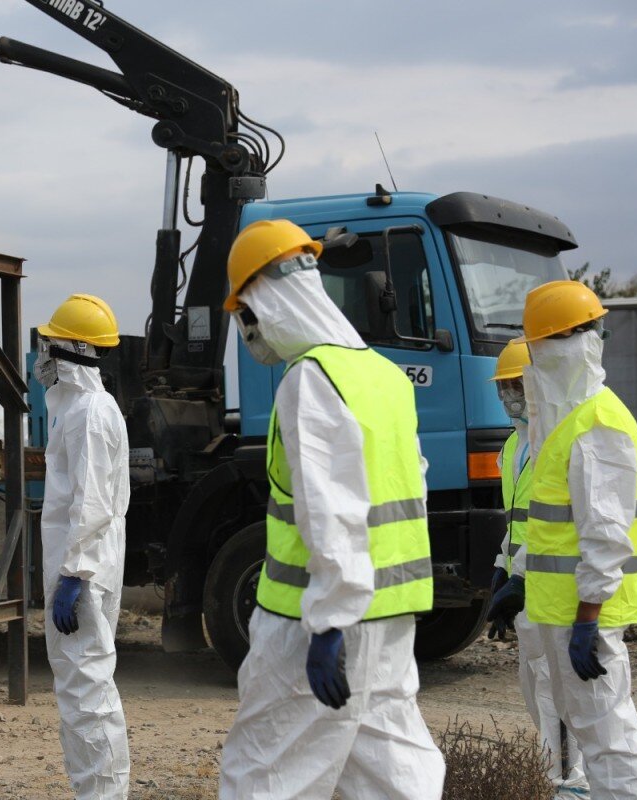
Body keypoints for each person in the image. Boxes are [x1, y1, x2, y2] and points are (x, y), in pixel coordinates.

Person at [217, 219, 444, 799]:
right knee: (388, 768)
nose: (249, 334)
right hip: (390, 614)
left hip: (312, 622)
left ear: (264, 301)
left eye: (245, 316)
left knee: (267, 769)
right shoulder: (384, 375)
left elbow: (331, 508)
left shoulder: (311, 379)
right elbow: (413, 489)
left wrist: (330, 620)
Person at [514, 280, 637, 799]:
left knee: (609, 735)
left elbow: (606, 534)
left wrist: (588, 620)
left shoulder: (597, 421)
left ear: (553, 346)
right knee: (591, 731)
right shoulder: (570, 421)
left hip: (584, 614)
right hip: (566, 610)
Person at [35, 293, 132, 799]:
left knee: (87, 689)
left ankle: (103, 795)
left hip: (84, 572)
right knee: (80, 688)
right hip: (84, 565)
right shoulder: (80, 409)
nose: (41, 355)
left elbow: (93, 503)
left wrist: (74, 574)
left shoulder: (89, 413)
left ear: (70, 349)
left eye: (48, 344)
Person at [486, 340, 589, 796]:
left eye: (516, 385)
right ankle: (553, 777)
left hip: (552, 588)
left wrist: (521, 576)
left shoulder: (557, 442)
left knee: (557, 692)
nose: (509, 395)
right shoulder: (513, 447)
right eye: (503, 386)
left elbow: (561, 525)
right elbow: (520, 520)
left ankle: (569, 784)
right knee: (535, 689)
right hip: (524, 586)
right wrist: (500, 566)